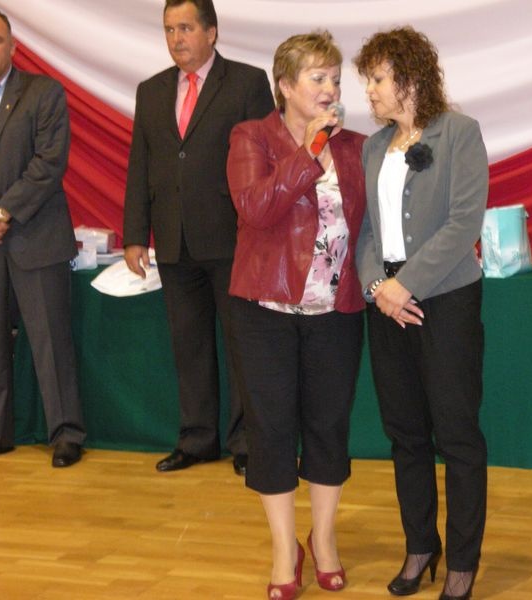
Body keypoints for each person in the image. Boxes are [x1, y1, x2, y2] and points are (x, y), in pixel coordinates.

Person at [225, 31, 365, 600]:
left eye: (335, 78)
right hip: (265, 310)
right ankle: (286, 550)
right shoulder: (251, 136)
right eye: (318, 78)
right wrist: (307, 154)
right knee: (272, 429)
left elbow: (371, 228)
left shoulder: (355, 146)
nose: (330, 89)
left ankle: (323, 540)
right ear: (285, 85)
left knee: (329, 427)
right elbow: (257, 208)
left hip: (336, 310)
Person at [354, 27, 489, 600]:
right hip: (387, 305)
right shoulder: (371, 147)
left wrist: (405, 284)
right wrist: (377, 288)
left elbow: (464, 224)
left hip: (446, 301)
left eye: (378, 79)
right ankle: (419, 545)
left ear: (409, 78)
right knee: (405, 434)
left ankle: (462, 560)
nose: (370, 91)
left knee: (456, 435)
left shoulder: (459, 132)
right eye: (368, 80)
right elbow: (367, 232)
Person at [123, 0, 274, 474]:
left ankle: (248, 443)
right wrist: (134, 235)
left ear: (211, 32)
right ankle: (197, 439)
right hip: (174, 239)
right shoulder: (151, 90)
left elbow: (267, 158)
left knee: (242, 346)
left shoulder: (247, 82)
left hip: (234, 238)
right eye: (169, 29)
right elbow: (140, 165)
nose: (176, 39)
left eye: (186, 28)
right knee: (188, 346)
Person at [0, 7, 85, 468]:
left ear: (13, 46)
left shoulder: (43, 92)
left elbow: (48, 162)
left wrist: (2, 212)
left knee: (50, 342)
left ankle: (66, 433)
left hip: (35, 235)